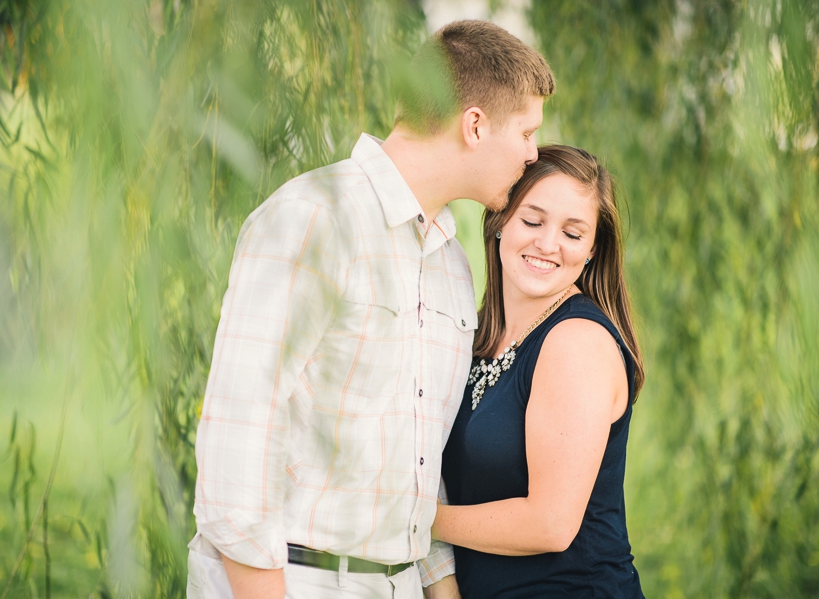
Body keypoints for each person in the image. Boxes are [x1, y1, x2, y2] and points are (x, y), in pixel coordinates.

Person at [186, 20, 556, 599]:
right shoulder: (313, 220)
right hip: (297, 579)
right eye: (528, 132)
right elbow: (241, 432)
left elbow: (417, 463)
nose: (534, 155)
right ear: (476, 125)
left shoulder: (452, 267)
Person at [435, 145, 646, 598]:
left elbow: (551, 523)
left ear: (591, 250)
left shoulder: (576, 341)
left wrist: (415, 518)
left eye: (573, 233)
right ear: (499, 223)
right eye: (533, 221)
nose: (548, 244)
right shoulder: (476, 340)